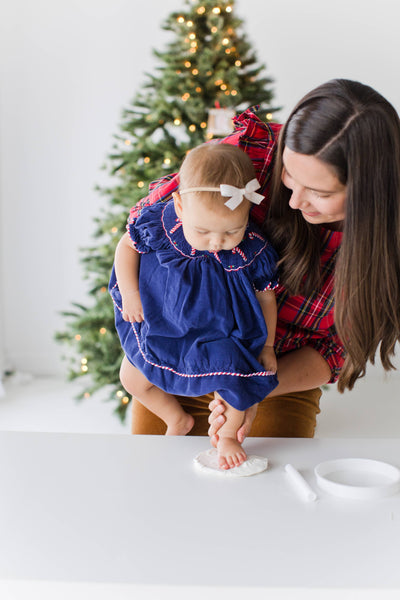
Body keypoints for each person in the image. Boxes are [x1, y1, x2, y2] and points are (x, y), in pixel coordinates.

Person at [122, 78, 400, 445]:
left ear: (372, 191)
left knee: (263, 486)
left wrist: (249, 387)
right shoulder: (249, 157)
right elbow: (153, 221)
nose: (296, 201)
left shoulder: (387, 247)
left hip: (277, 376)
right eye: (289, 175)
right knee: (159, 476)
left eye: (319, 192)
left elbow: (337, 350)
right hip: (178, 351)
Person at [109, 143, 280, 469]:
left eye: (232, 230)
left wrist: (269, 345)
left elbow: (265, 295)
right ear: (180, 205)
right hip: (164, 319)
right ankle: (176, 419)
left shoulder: (252, 248)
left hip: (220, 333)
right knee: (132, 378)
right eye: (203, 231)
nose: (217, 242)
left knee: (236, 383)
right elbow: (126, 247)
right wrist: (131, 294)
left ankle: (228, 435)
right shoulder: (160, 222)